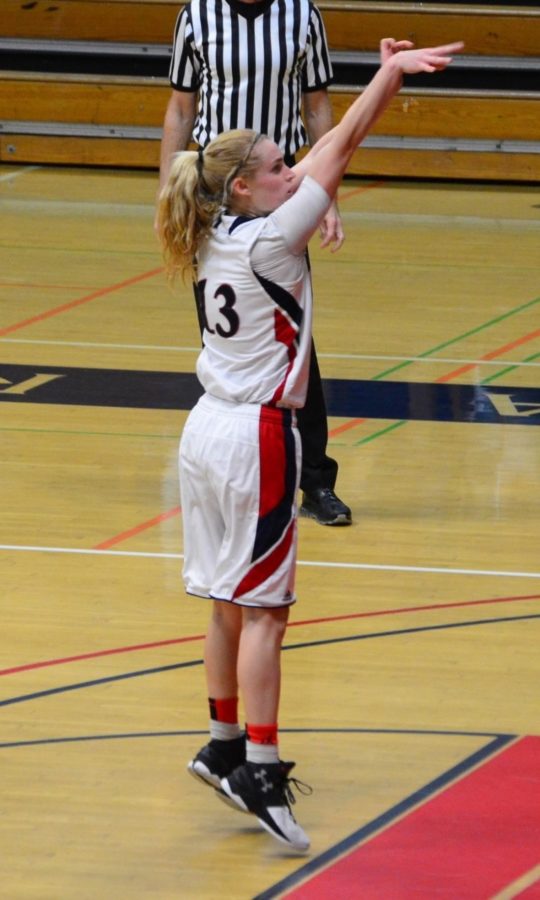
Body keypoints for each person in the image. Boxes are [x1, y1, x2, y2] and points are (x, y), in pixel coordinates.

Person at [158, 38, 462, 853]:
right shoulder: (270, 242)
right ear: (250, 188)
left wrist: (376, 84)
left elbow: (325, 153)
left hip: (204, 428)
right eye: (278, 168)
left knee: (228, 600)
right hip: (257, 434)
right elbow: (347, 143)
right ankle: (260, 765)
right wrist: (390, 77)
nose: (294, 171)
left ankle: (222, 745)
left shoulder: (218, 230)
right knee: (268, 612)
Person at [157, 0, 352, 526]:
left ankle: (313, 480)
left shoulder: (301, 15)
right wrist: (164, 193)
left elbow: (317, 108)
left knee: (293, 340)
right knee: (225, 339)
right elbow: (181, 109)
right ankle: (232, 467)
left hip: (277, 186)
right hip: (215, 192)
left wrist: (325, 195)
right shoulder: (195, 16)